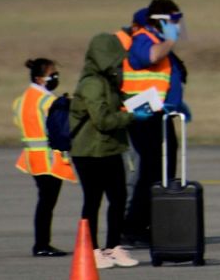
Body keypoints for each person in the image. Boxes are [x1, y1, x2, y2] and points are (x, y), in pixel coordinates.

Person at [70, 32, 151, 270]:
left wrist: (143, 102)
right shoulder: (92, 84)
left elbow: (118, 102)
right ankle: (92, 249)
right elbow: (103, 120)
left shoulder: (109, 81)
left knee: (118, 199)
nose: (118, 62)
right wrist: (133, 117)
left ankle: (113, 247)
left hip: (111, 149)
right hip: (89, 152)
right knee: (93, 201)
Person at [119, 0, 185, 246]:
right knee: (150, 171)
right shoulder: (144, 39)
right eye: (172, 20)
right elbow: (148, 57)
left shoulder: (157, 39)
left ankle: (149, 224)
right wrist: (170, 39)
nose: (177, 26)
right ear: (159, 20)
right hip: (143, 115)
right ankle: (133, 227)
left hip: (161, 113)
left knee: (164, 169)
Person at [14, 57, 77, 257]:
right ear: (41, 78)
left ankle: (42, 243)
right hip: (49, 160)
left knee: (45, 202)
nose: (56, 77)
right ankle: (41, 244)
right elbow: (61, 130)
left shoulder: (21, 100)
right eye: (53, 74)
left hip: (31, 158)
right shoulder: (49, 101)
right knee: (46, 204)